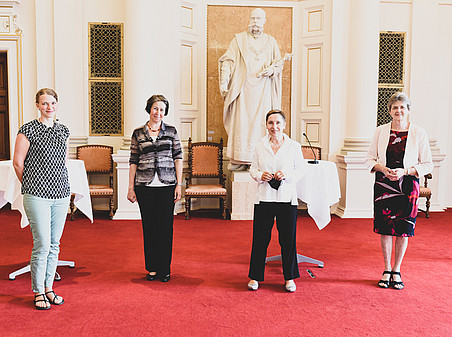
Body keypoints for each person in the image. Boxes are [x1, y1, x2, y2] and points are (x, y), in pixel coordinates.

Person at [366, 92, 433, 290]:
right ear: (389, 111)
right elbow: (370, 158)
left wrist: (405, 171)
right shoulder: (380, 131)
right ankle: (386, 269)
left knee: (403, 229)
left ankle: (397, 270)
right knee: (385, 227)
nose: (399, 111)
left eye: (402, 107)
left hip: (408, 186)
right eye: (395, 107)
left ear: (408, 111)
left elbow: (427, 164)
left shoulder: (418, 133)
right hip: (384, 184)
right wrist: (382, 168)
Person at [12, 88, 70, 310]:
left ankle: (49, 289)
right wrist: (32, 185)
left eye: (52, 103)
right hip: (37, 194)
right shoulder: (28, 130)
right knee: (42, 244)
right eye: (44, 103)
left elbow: (61, 161)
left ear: (57, 104)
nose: (49, 107)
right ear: (37, 105)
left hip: (61, 193)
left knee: (54, 245)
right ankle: (38, 291)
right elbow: (19, 163)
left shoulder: (63, 130)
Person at [247, 110, 307, 292]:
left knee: (288, 239)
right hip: (264, 197)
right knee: (260, 238)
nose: (274, 127)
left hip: (286, 198)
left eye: (278, 123)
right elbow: (253, 169)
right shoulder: (259, 146)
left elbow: (301, 170)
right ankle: (255, 277)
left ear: (284, 125)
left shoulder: (294, 146)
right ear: (266, 125)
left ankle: (289, 277)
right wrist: (260, 175)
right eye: (271, 123)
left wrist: (286, 175)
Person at [219, 8, 285, 169]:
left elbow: (279, 64)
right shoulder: (239, 40)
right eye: (253, 18)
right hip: (243, 90)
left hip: (264, 91)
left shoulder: (271, 41)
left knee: (261, 124)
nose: (255, 22)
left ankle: (259, 162)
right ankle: (240, 160)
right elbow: (228, 61)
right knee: (242, 123)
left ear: (264, 21)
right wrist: (223, 81)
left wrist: (272, 70)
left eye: (259, 19)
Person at [127, 94, 183, 283]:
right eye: (155, 108)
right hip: (144, 186)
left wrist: (179, 184)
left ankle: (164, 269)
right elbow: (133, 160)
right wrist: (130, 187)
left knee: (165, 228)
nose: (158, 112)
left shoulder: (172, 131)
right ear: (149, 109)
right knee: (149, 228)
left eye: (162, 109)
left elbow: (178, 158)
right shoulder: (138, 133)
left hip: (167, 185)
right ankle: (151, 268)